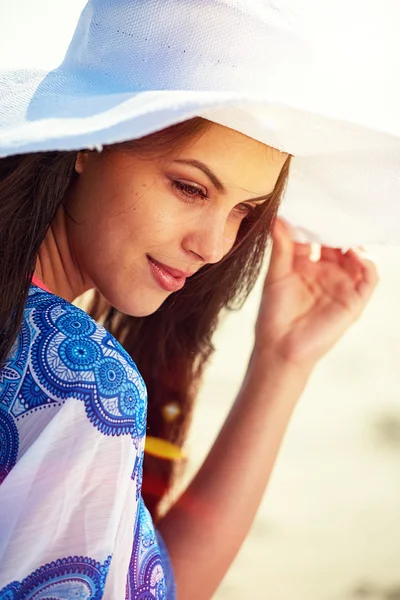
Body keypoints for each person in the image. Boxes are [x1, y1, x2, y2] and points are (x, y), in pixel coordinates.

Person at [0, 1, 382, 599]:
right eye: (189, 187)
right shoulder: (78, 380)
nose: (214, 245)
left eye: (244, 211)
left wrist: (283, 360)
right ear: (89, 142)